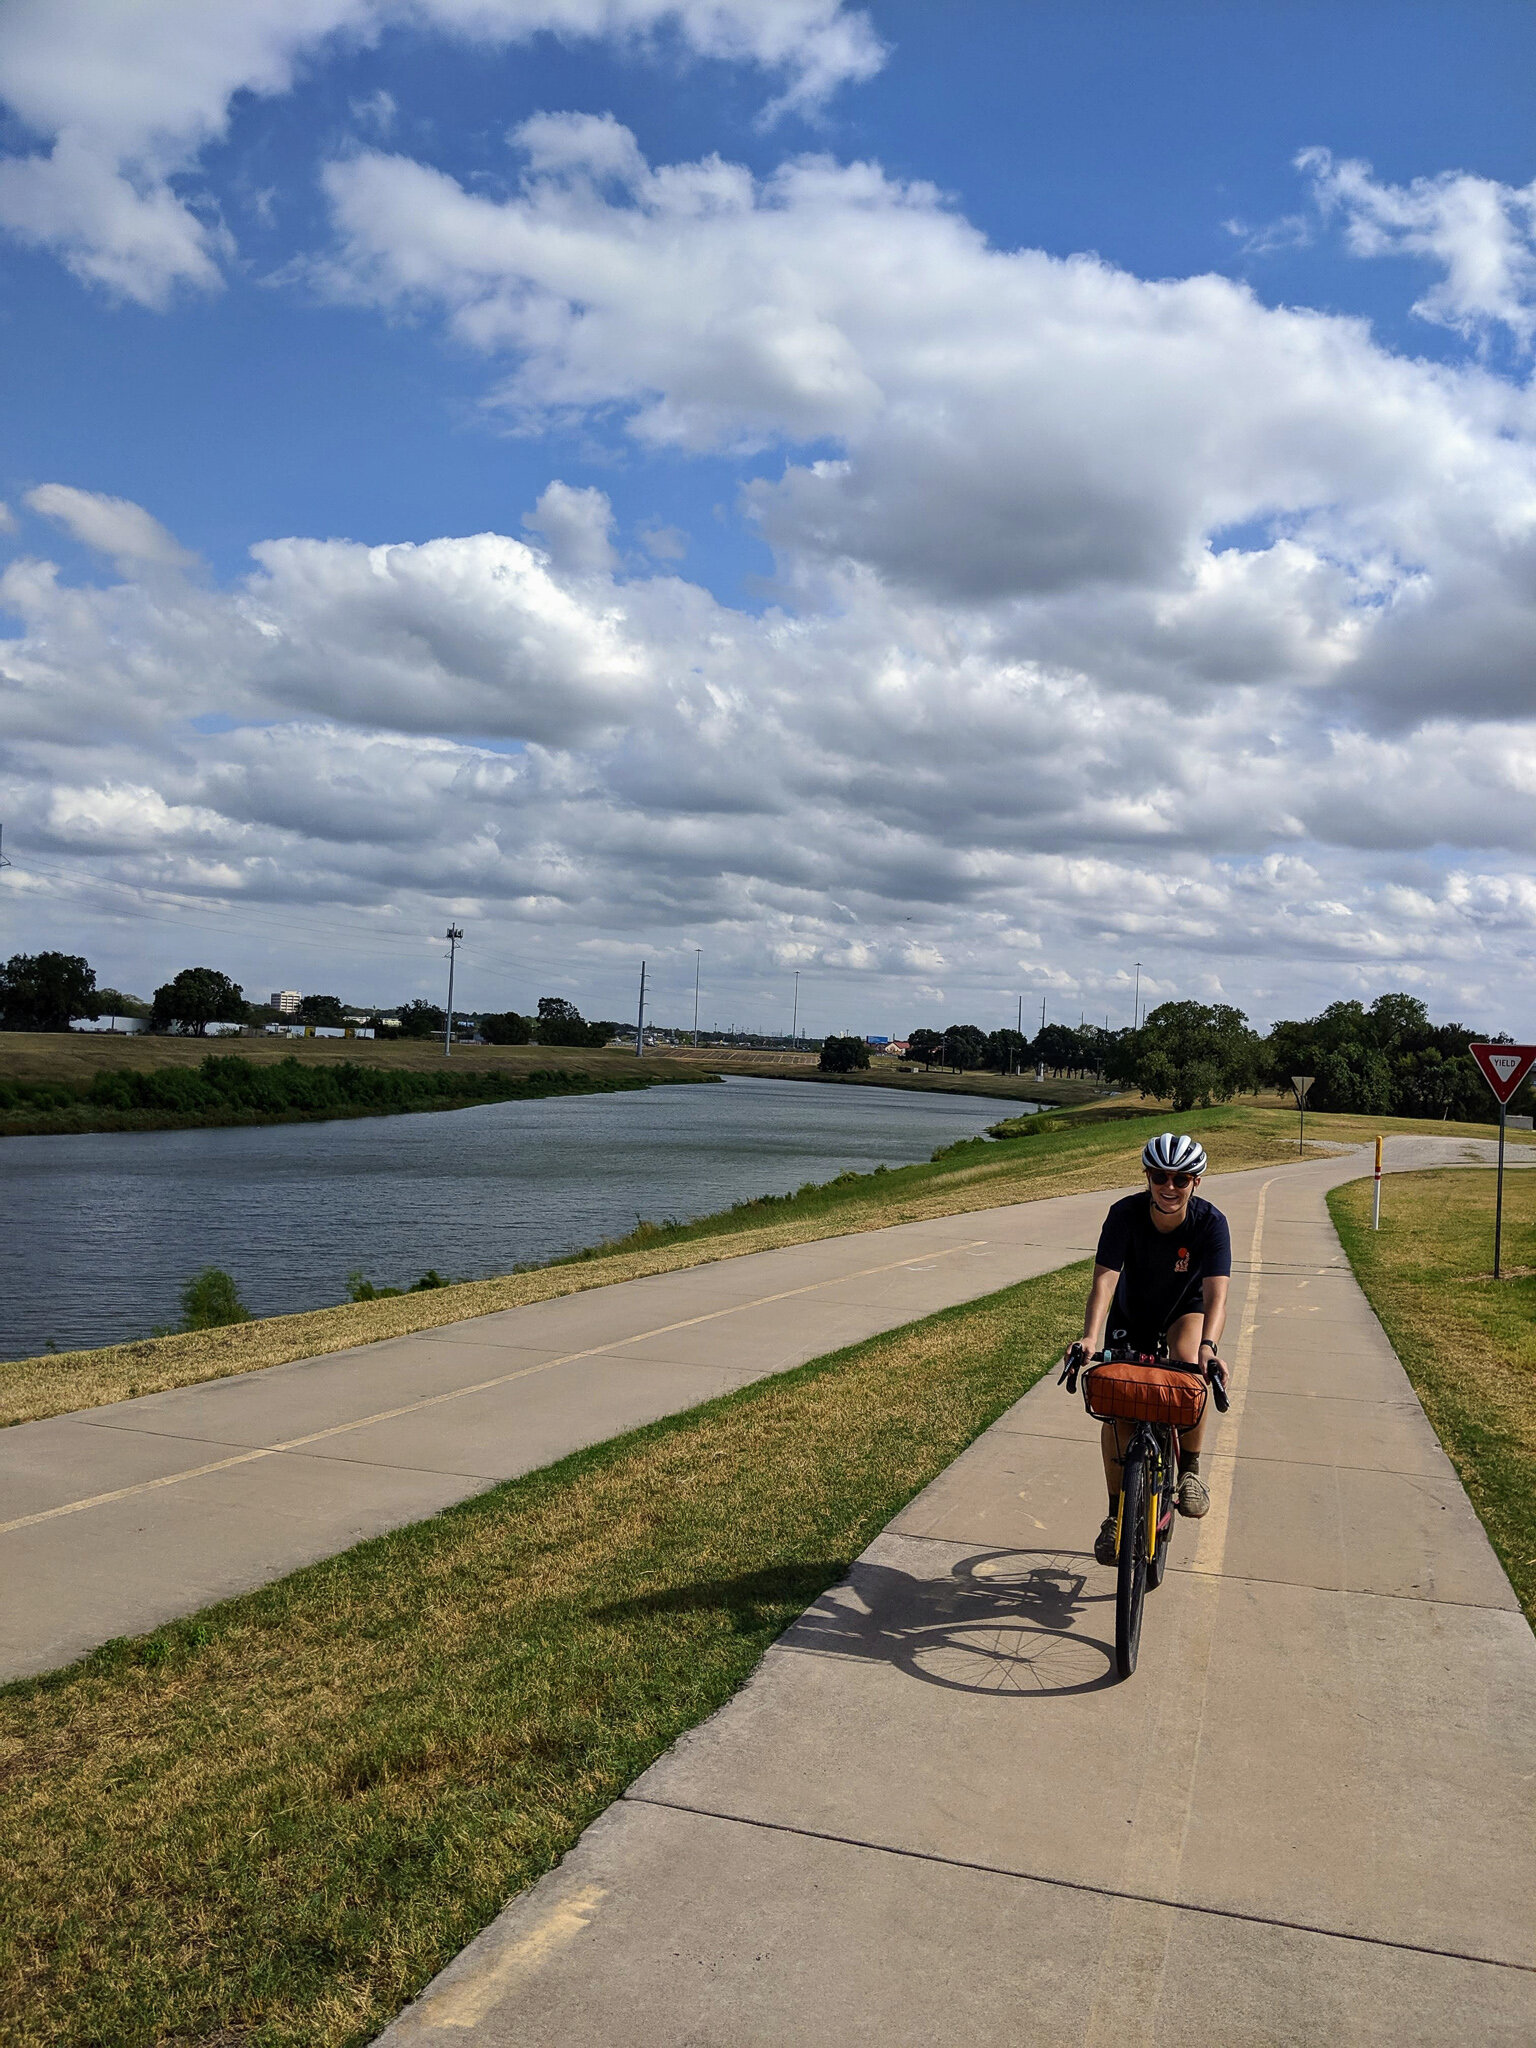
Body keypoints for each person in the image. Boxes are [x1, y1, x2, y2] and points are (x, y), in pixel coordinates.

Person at [1070, 1132, 1230, 1567]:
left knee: (1191, 1374)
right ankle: (1115, 1516)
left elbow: (1216, 1293)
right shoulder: (1123, 1216)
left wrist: (1210, 1348)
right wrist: (1089, 1336)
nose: (1170, 1186)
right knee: (1120, 1405)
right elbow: (1104, 1281)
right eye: (1160, 1176)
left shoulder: (1211, 1224)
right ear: (1148, 1177)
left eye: (1181, 1178)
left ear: (1195, 1182)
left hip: (1185, 1309)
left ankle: (1191, 1473)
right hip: (1132, 1312)